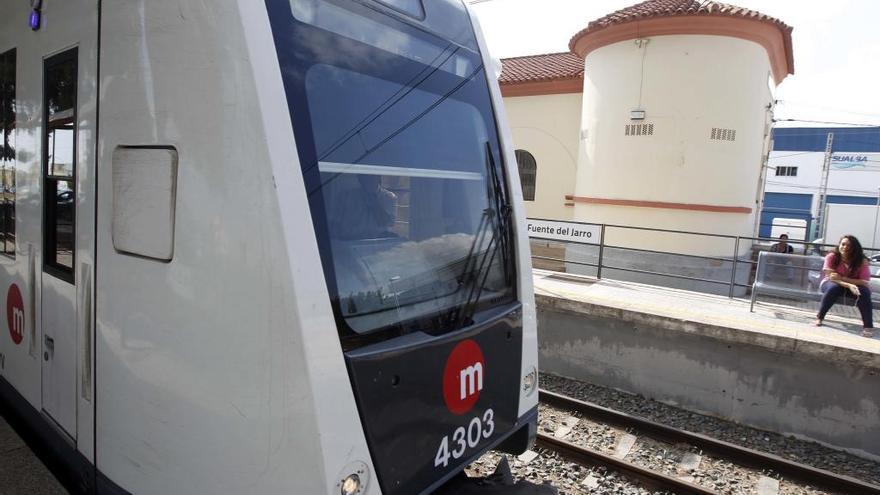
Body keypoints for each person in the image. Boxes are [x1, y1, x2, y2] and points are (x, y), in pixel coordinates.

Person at [813, 235, 874, 338]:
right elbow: (832, 277)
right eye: (843, 244)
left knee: (865, 293)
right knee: (834, 288)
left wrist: (844, 280)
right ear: (839, 245)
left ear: (854, 248)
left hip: (853, 285)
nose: (845, 247)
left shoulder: (862, 261)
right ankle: (820, 317)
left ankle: (868, 326)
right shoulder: (832, 256)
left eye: (849, 246)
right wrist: (849, 284)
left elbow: (864, 282)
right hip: (830, 283)